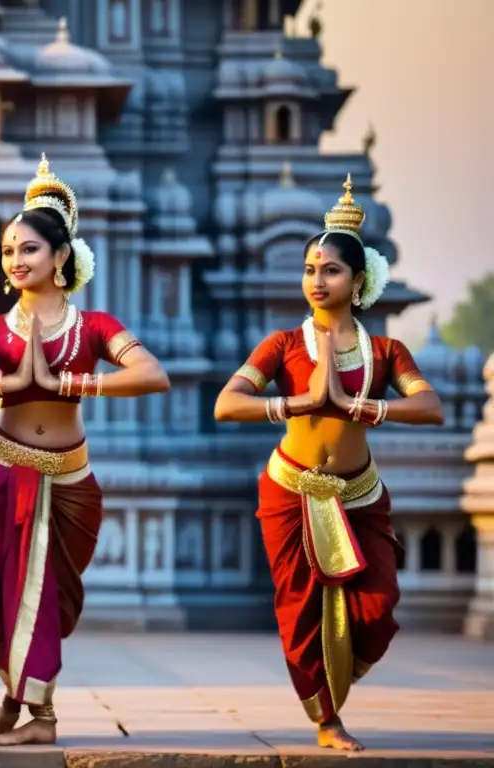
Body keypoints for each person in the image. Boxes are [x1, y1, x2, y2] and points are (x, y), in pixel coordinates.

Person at [0, 154, 170, 746]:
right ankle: (30, 710)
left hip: (66, 473)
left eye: (28, 249)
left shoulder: (96, 327)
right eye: (9, 251)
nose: (15, 260)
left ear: (61, 257)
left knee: (45, 590)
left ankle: (30, 711)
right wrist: (1, 384)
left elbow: (152, 374)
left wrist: (71, 385)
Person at [214, 175, 444, 751]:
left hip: (359, 492)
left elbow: (430, 406)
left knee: (377, 608)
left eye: (331, 270)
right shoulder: (283, 345)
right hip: (291, 489)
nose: (318, 280)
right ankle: (326, 720)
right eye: (310, 269)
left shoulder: (386, 352)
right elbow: (226, 403)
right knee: (300, 614)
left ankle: (337, 680)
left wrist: (358, 406)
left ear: (359, 280)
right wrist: (298, 402)